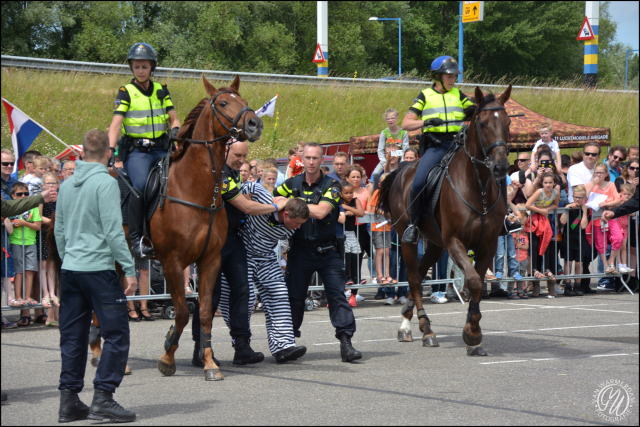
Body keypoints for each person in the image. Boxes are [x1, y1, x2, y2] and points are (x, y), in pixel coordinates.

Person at [55, 129, 137, 423]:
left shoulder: (66, 185)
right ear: (108, 153)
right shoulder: (105, 183)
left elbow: (59, 231)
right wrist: (129, 269)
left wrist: (70, 259)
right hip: (99, 269)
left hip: (72, 269)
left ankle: (69, 400)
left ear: (81, 155)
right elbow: (114, 232)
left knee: (73, 336)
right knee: (116, 333)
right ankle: (103, 397)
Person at [191, 139, 288, 367]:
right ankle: (201, 347)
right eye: (238, 156)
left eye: (245, 156)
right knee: (210, 296)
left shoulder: (234, 173)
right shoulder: (220, 174)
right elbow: (245, 206)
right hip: (214, 242)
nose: (242, 161)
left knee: (243, 291)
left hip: (233, 238)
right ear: (226, 150)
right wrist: (276, 207)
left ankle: (242, 346)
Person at [274, 142, 361, 363]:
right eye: (308, 158)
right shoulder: (291, 183)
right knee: (293, 299)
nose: (311, 162)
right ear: (302, 159)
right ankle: (287, 344)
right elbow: (274, 200)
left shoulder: (332, 184)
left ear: (322, 160)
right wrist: (286, 202)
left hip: (327, 251)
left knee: (337, 296)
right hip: (300, 251)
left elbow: (322, 212)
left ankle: (346, 342)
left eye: (315, 158)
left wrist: (292, 203)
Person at [217, 184, 309, 363]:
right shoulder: (265, 199)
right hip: (240, 254)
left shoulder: (292, 220)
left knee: (279, 293)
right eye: (296, 223)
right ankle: (242, 344)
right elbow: (248, 185)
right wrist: (244, 198)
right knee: (244, 299)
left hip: (265, 256)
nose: (298, 228)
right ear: (286, 214)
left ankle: (283, 346)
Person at [107, 42, 181, 258]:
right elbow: (115, 125)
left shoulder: (161, 89)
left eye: (144, 67)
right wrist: (111, 150)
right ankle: (137, 239)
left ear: (152, 68)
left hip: (161, 149)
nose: (140, 70)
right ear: (132, 68)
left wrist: (175, 130)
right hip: (138, 153)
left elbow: (174, 119)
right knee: (139, 187)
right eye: (137, 67)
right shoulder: (126, 92)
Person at [400, 56, 478, 244]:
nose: (453, 79)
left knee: (490, 171)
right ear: (437, 76)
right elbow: (405, 123)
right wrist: (426, 122)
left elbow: (475, 111)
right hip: (437, 147)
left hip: (460, 146)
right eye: (449, 76)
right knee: (418, 183)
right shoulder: (424, 95)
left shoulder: (459, 95)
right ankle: (414, 225)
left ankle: (501, 220)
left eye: (454, 76)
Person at [567, 142, 603, 292]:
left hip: (594, 213)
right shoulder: (575, 169)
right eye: (587, 153)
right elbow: (581, 193)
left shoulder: (599, 169)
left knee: (592, 249)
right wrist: (595, 181)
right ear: (583, 154)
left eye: (593, 154)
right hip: (576, 213)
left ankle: (583, 282)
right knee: (577, 247)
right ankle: (572, 284)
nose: (589, 156)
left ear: (598, 156)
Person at [7, 182, 42, 324]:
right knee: (19, 271)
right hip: (16, 242)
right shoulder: (9, 207)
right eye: (20, 194)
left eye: (26, 194)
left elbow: (37, 225)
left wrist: (23, 223)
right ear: (13, 196)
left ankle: (28, 297)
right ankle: (19, 297)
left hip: (30, 242)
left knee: (30, 270)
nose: (23, 196)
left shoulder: (32, 207)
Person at [525, 172, 560, 297]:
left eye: (550, 182)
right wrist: (540, 211)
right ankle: (535, 275)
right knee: (535, 246)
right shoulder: (539, 192)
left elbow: (556, 204)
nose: (548, 185)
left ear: (554, 183)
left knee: (547, 246)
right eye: (546, 182)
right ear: (542, 183)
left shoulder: (555, 192)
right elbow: (528, 204)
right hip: (535, 219)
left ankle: (548, 274)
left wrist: (548, 210)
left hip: (545, 220)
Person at [586, 163, 623, 275]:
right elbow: (585, 197)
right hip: (596, 219)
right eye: (596, 172)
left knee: (618, 237)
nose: (598, 175)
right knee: (601, 243)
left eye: (601, 172)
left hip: (609, 217)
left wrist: (607, 203)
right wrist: (593, 183)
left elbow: (619, 200)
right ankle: (606, 266)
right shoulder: (590, 185)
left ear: (606, 173)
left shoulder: (611, 185)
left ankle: (611, 261)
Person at [559, 185, 590, 297]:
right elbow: (562, 222)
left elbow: (583, 226)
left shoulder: (585, 209)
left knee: (579, 264)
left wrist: (585, 212)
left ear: (584, 198)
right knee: (569, 262)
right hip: (568, 239)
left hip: (580, 240)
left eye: (580, 198)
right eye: (575, 197)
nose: (577, 200)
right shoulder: (568, 207)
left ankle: (578, 286)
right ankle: (568, 285)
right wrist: (567, 209)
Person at [38, 172, 61, 326]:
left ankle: (53, 296)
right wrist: (54, 223)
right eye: (48, 183)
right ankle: (46, 294)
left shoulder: (60, 198)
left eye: (54, 183)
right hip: (45, 233)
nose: (51, 186)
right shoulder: (41, 199)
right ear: (43, 185)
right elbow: (39, 217)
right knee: (44, 265)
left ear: (58, 185)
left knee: (53, 265)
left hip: (55, 234)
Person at [368, 173, 396, 294]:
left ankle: (387, 274)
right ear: (380, 184)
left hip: (387, 227)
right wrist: (386, 214)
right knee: (380, 251)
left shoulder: (391, 194)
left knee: (387, 251)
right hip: (377, 226)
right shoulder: (377, 193)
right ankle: (380, 275)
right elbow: (373, 208)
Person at [337, 181, 364, 307]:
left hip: (352, 233)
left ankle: (354, 289)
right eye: (346, 193)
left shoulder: (355, 201)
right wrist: (346, 211)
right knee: (345, 257)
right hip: (342, 234)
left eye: (350, 192)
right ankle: (346, 279)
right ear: (341, 193)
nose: (348, 195)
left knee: (356, 256)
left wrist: (348, 208)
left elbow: (361, 213)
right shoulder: (338, 202)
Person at [346, 165, 370, 302]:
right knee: (346, 260)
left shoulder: (365, 191)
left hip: (360, 230)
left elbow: (367, 211)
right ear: (347, 178)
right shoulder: (344, 191)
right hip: (346, 229)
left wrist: (355, 212)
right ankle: (345, 290)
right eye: (353, 177)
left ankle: (354, 293)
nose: (355, 179)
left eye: (358, 177)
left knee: (357, 260)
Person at [372, 109, 409, 186]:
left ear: (397, 118)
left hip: (399, 158)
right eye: (388, 119)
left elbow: (406, 149)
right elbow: (380, 150)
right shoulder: (384, 133)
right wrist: (384, 162)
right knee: (375, 174)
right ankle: (375, 194)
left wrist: (402, 161)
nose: (390, 120)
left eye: (392, 118)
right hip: (387, 158)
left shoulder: (403, 132)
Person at [615, 183, 636, 274]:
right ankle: (619, 265)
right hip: (618, 226)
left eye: (629, 194)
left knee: (624, 247)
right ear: (621, 194)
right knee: (618, 247)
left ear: (632, 195)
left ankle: (624, 265)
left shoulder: (630, 204)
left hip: (625, 227)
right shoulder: (619, 202)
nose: (626, 196)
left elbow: (632, 214)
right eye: (625, 194)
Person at [512, 205, 531, 299]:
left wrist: (521, 246)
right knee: (513, 275)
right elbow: (511, 245)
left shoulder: (525, 235)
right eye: (519, 224)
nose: (521, 227)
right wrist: (516, 240)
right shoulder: (513, 234)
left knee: (522, 275)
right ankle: (512, 290)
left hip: (523, 258)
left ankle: (520, 290)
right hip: (514, 258)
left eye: (523, 225)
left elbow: (527, 246)